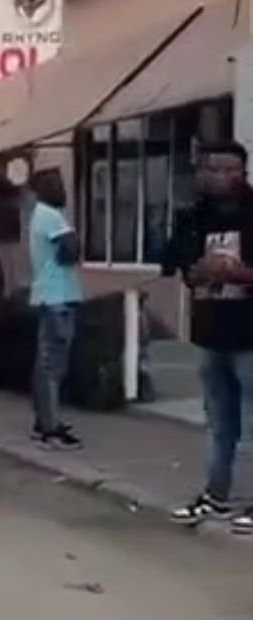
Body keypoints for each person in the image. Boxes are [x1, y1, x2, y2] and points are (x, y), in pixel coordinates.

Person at [163, 141, 253, 536]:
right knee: (219, 424)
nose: (219, 176)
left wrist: (235, 274)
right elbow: (179, 265)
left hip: (250, 334)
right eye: (212, 169)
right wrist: (197, 271)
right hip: (211, 332)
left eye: (229, 169)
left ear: (243, 172)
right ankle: (216, 496)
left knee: (251, 424)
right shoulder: (194, 217)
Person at [27, 169, 84, 450]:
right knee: (52, 365)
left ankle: (44, 422)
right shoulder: (50, 215)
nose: (63, 190)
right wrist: (72, 242)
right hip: (57, 296)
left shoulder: (42, 214)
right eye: (58, 184)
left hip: (50, 295)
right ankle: (50, 428)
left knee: (46, 363)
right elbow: (71, 248)